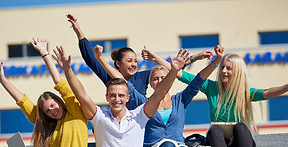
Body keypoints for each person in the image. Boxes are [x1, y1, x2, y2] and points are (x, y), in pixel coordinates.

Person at [52, 43, 190, 147]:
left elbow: (158, 95)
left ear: (128, 98)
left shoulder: (139, 115)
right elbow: (81, 95)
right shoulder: (100, 117)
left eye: (121, 96)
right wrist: (67, 70)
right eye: (112, 96)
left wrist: (173, 71)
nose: (117, 99)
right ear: (107, 98)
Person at [94, 44, 224, 147]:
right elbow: (122, 81)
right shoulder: (145, 103)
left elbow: (199, 79)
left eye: (163, 77)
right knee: (168, 145)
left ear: (169, 79)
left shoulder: (180, 100)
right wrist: (100, 58)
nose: (159, 81)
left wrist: (216, 61)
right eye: (155, 79)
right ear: (151, 83)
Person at [176, 53, 288, 147]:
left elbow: (265, 93)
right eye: (222, 68)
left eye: (228, 68)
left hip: (240, 145)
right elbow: (180, 74)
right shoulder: (211, 87)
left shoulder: (244, 91)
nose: (224, 71)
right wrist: (194, 58)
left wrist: (286, 87)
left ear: (237, 72)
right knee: (214, 130)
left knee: (240, 126)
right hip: (218, 145)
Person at [66, 13, 211, 110]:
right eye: (129, 61)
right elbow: (90, 59)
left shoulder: (142, 76)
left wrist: (196, 57)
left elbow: (172, 70)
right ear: (118, 64)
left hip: (141, 121)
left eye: (135, 60)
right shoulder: (110, 77)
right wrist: (78, 31)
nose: (134, 64)